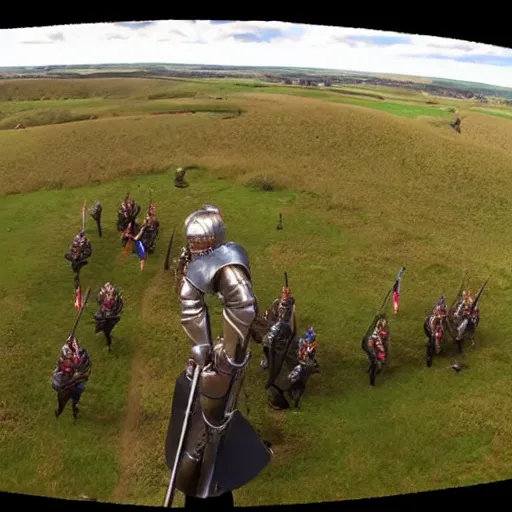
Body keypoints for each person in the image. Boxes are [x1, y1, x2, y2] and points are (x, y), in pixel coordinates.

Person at [168, 204, 268, 500]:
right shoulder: (210, 261)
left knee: (215, 421)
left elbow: (243, 305)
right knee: (203, 422)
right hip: (217, 362)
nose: (193, 249)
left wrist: (226, 358)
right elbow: (190, 304)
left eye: (196, 243)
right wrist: (202, 346)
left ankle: (206, 476)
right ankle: (198, 472)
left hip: (226, 367)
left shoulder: (226, 264)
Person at [94, 282, 124, 351]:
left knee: (107, 331)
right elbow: (100, 302)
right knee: (97, 319)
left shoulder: (113, 300)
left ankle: (109, 346)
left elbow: (114, 310)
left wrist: (108, 314)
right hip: (103, 313)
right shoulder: (105, 296)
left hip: (110, 317)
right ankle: (99, 329)